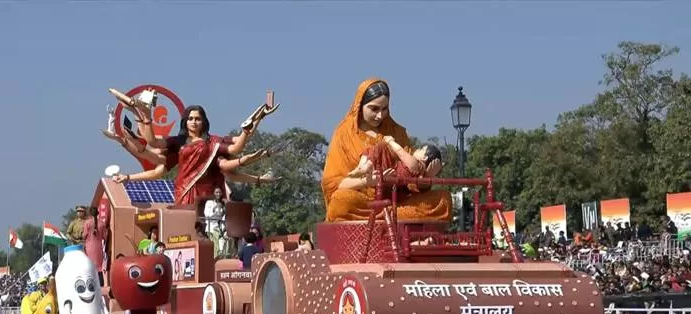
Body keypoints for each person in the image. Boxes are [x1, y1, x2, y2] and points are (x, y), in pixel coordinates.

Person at [321, 78, 452, 222]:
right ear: (360, 105)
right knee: (341, 201)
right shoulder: (343, 134)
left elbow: (411, 181)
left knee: (443, 199)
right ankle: (388, 215)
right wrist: (367, 182)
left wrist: (426, 177)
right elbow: (333, 185)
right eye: (374, 109)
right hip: (364, 202)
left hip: (398, 200)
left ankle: (389, 214)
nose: (380, 115)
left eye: (384, 109)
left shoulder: (397, 132)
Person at [110, 105, 279, 206]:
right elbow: (152, 144)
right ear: (185, 121)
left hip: (209, 195)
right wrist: (145, 116)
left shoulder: (213, 141)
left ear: (204, 121)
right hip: (184, 192)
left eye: (198, 118)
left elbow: (237, 147)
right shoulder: (178, 142)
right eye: (190, 118)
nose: (194, 121)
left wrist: (256, 121)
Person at [83, 206, 107, 286]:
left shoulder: (87, 223)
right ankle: (101, 284)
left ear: (90, 213)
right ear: (98, 213)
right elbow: (105, 237)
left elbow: (84, 235)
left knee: (90, 267)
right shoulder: (102, 223)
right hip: (98, 248)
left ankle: (90, 284)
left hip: (89, 248)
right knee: (99, 267)